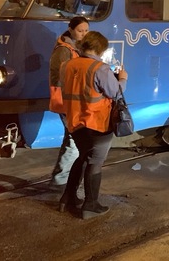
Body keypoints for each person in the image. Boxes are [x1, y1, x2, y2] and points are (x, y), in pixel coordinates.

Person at [58, 31, 128, 219]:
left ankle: (68, 198)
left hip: (74, 121)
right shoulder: (100, 68)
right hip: (96, 123)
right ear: (99, 48)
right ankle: (91, 204)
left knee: (83, 157)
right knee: (95, 162)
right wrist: (122, 78)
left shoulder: (67, 65)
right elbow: (116, 92)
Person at [48, 16, 89, 189]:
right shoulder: (63, 50)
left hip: (72, 100)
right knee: (73, 140)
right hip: (67, 100)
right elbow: (63, 77)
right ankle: (60, 180)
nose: (84, 34)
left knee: (72, 139)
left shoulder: (75, 47)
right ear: (71, 30)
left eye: (86, 30)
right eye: (80, 31)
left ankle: (62, 179)